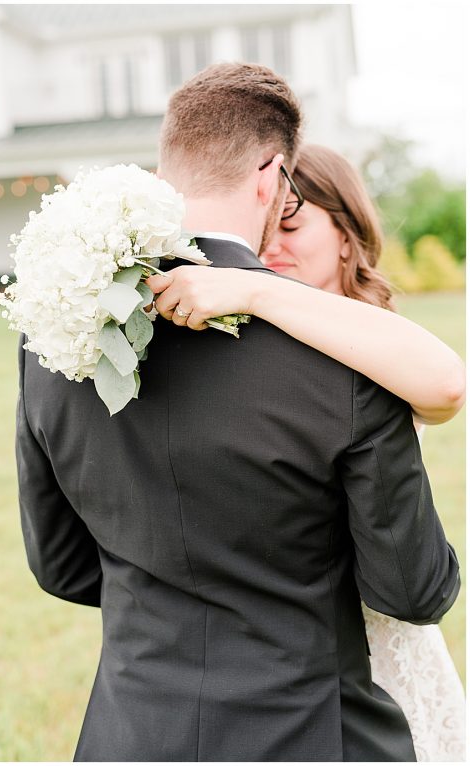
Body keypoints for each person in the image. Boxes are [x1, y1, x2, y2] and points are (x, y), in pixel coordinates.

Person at [16, 62, 459, 761]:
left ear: (168, 169)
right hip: (310, 735)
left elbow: (60, 567)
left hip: (130, 735)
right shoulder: (349, 363)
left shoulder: (54, 335)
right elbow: (412, 590)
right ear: (270, 175)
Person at [145, 143, 466, 761]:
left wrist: (256, 290)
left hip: (380, 642)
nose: (271, 247)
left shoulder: (376, 349)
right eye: (268, 229)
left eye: (292, 225)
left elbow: (447, 386)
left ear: (347, 236)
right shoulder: (242, 343)